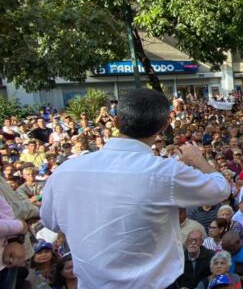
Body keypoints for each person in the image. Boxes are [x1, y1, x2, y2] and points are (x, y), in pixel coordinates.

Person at [40, 89, 231, 288]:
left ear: (116, 122)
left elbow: (51, 222)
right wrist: (197, 159)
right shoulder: (164, 172)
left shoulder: (65, 172)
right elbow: (221, 189)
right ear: (164, 126)